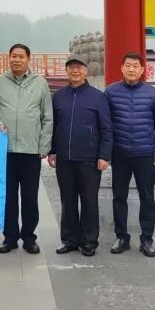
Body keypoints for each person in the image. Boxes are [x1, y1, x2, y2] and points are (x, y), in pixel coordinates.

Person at [0, 43, 53, 255]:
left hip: (30, 150)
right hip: (5, 150)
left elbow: (47, 116)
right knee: (8, 196)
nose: (16, 60)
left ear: (28, 59)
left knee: (30, 197)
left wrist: (44, 146)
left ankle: (29, 237)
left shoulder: (40, 83)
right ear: (9, 58)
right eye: (13, 56)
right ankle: (10, 237)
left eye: (21, 56)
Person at [48, 55, 112, 257]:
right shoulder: (59, 96)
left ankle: (89, 241)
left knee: (89, 201)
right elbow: (53, 126)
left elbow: (106, 128)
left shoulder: (98, 97)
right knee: (67, 200)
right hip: (64, 159)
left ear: (86, 71)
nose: (75, 71)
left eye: (79, 67)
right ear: (66, 71)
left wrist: (104, 156)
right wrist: (52, 151)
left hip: (89, 159)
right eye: (71, 68)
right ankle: (69, 240)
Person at [105, 51, 155, 257]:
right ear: (121, 68)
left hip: (145, 153)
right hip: (120, 153)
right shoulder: (110, 92)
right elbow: (105, 125)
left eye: (135, 66)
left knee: (147, 197)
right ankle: (122, 237)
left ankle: (146, 239)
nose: (131, 69)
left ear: (142, 70)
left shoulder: (152, 94)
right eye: (128, 65)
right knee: (119, 197)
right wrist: (105, 152)